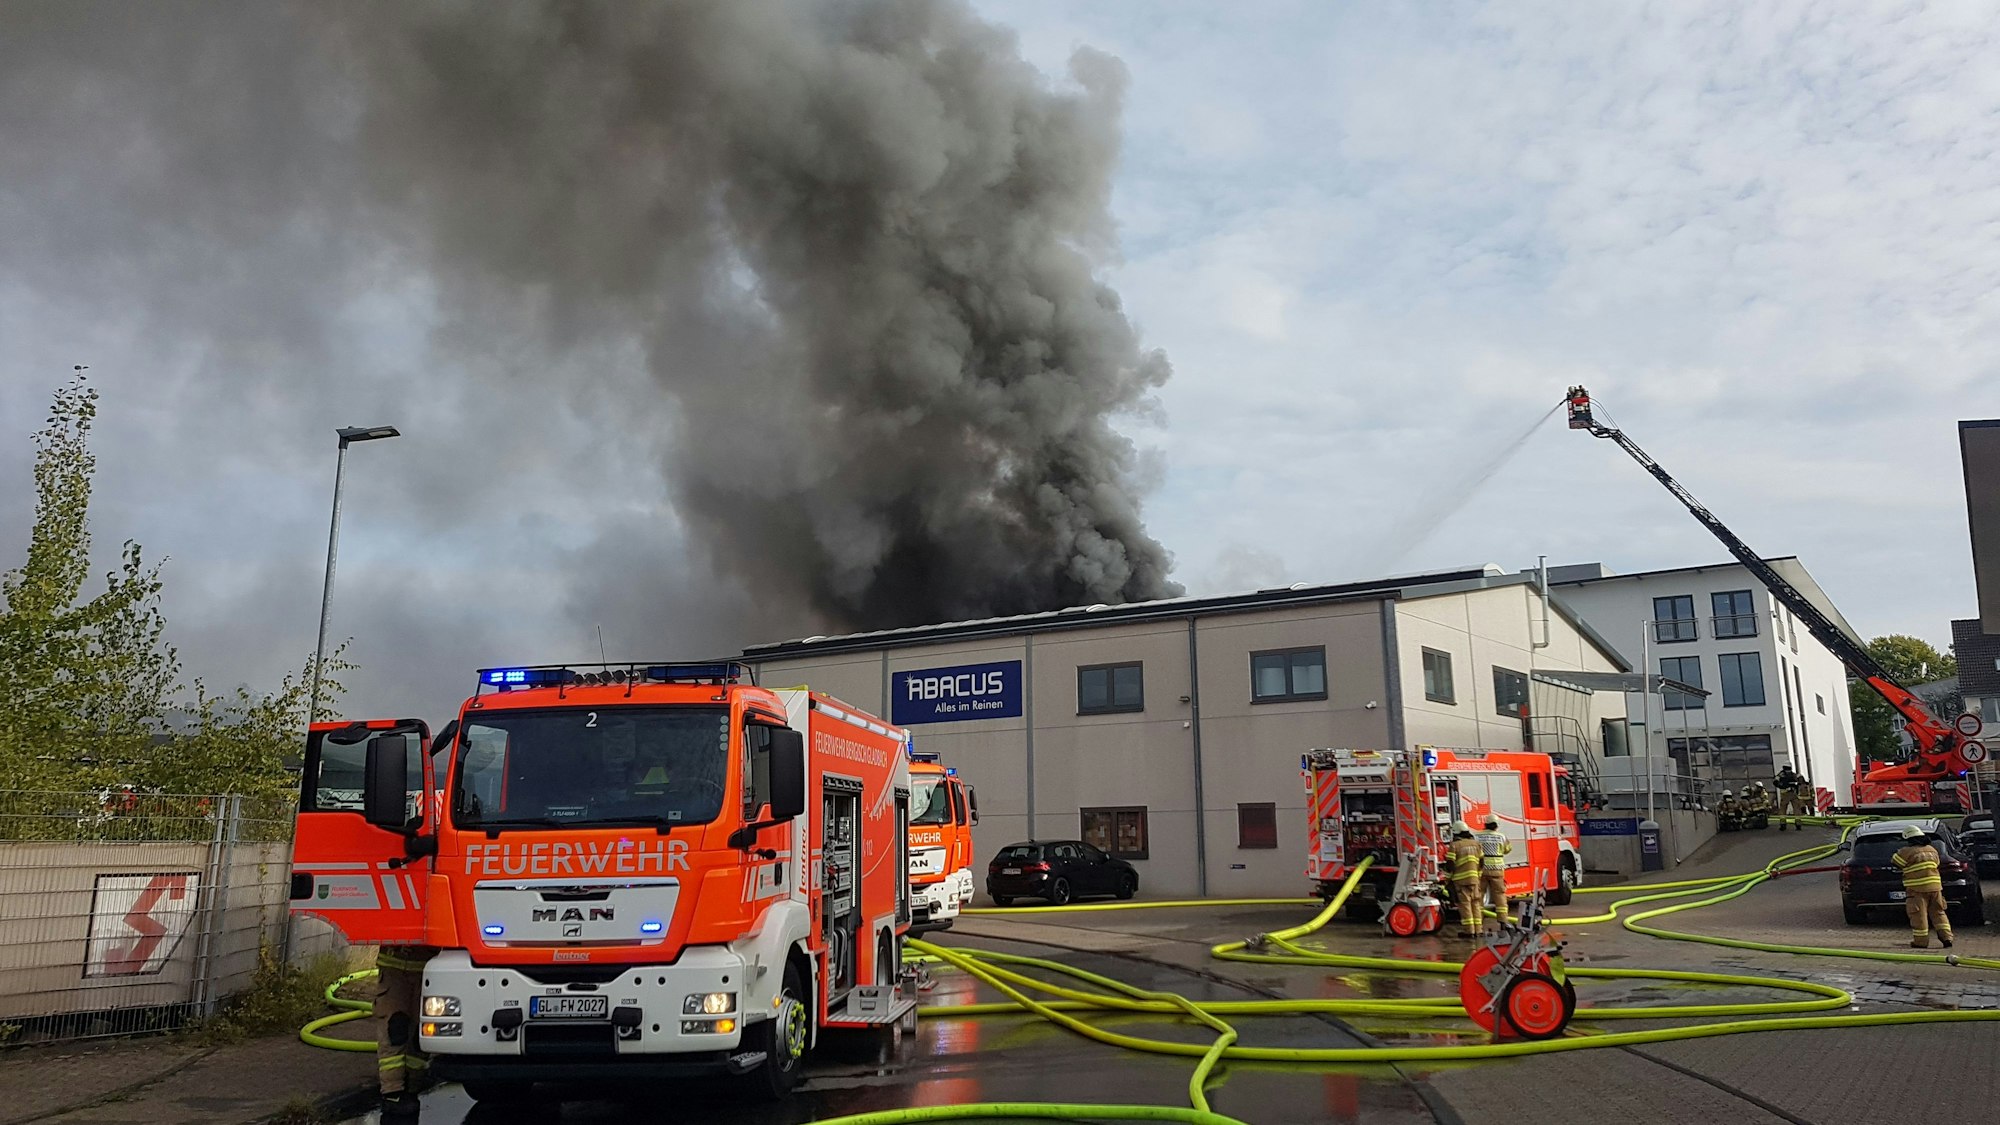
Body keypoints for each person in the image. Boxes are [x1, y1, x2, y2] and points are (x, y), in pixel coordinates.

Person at [375, 943, 439, 1117]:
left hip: (428, 968)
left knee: (420, 1034)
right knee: (394, 1029)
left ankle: (412, 1085)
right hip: (394, 968)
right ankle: (392, 1092)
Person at [1890, 824, 1953, 950]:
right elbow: (1937, 864)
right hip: (1936, 888)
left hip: (1917, 889)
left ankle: (1921, 942)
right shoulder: (1932, 850)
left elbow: (1896, 862)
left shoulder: (1906, 851)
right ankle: (1947, 938)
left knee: (1918, 915)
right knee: (1939, 913)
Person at [1445, 821, 1485, 939]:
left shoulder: (1455, 845)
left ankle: (1469, 931)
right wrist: (1478, 875)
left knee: (1465, 905)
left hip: (1460, 881)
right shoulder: (1476, 844)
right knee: (1476, 904)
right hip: (1475, 880)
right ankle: (1479, 930)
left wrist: (1447, 879)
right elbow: (1482, 862)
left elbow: (1450, 864)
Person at [1473, 817, 1511, 927]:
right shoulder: (1501, 836)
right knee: (1499, 895)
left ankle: (1479, 921)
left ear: (1485, 824)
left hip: (1482, 869)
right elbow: (1507, 849)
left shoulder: (1477, 836)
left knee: (1479, 895)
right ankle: (1503, 921)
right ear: (1496, 825)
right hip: (1497, 869)